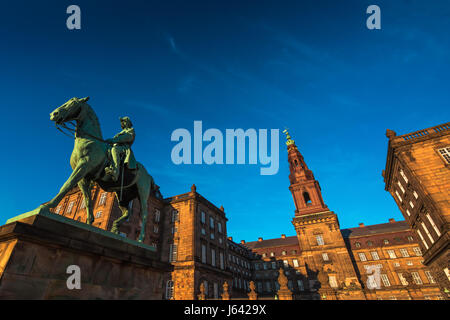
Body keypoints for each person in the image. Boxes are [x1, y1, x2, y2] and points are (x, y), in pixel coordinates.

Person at [105, 116, 137, 181]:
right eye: (122, 122)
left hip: (124, 148)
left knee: (115, 150)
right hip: (115, 145)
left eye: (124, 121)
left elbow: (127, 138)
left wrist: (113, 140)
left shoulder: (130, 130)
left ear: (128, 123)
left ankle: (115, 172)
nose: (123, 123)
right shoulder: (121, 132)